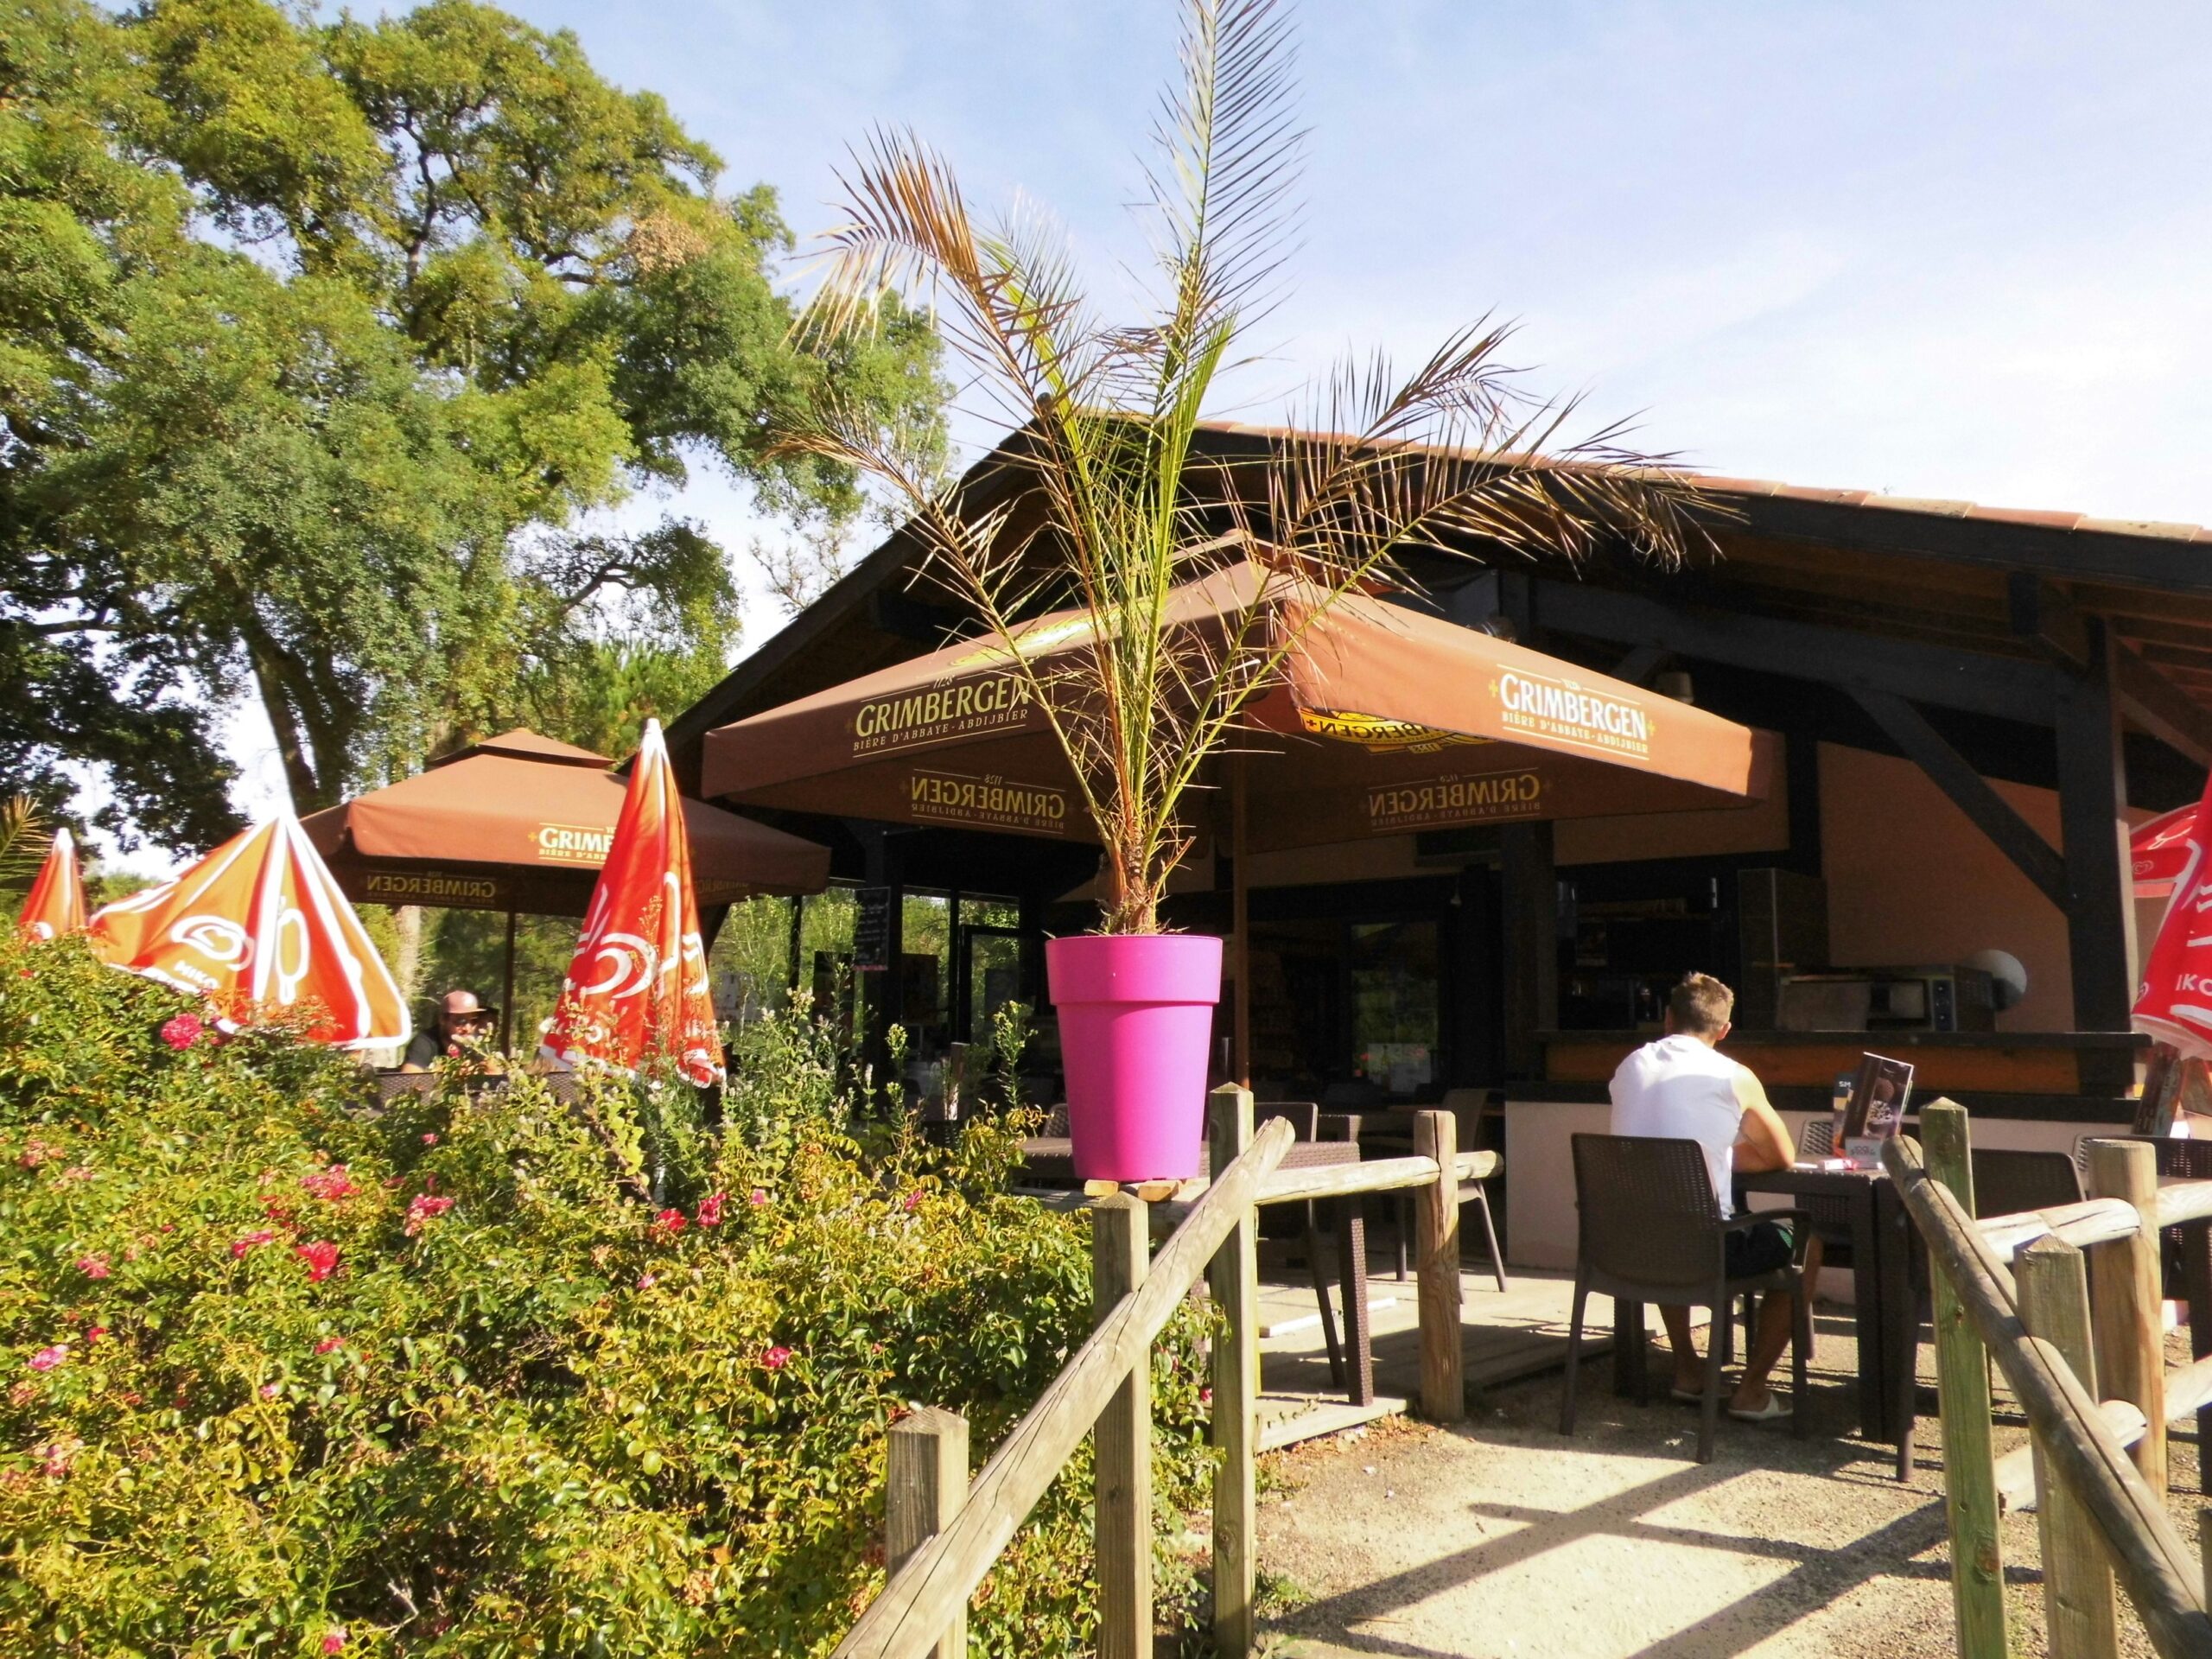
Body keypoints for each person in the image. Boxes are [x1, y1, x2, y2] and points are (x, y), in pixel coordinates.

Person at [1608, 972, 1821, 1422]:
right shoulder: (1733, 1076)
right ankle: (1752, 1389)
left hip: (1631, 1244)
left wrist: (1709, 1155)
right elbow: (1780, 1155)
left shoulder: (1629, 1066)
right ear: (1724, 1030)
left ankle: (1688, 1369)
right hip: (1706, 1246)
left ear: (1668, 1019)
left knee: (1669, 1222)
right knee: (1809, 1246)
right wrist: (1715, 1155)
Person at [400, 988, 500, 1071]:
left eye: (474, 1021)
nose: (468, 1029)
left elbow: (496, 1074)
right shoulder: (425, 1042)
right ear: (442, 1020)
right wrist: (449, 1073)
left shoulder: (474, 1046)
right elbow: (409, 1080)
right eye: (461, 1021)